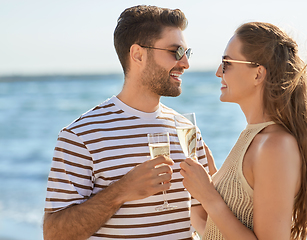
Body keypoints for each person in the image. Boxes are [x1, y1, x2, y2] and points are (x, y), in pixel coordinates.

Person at [43, 5, 213, 240]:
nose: (185, 63)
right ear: (138, 55)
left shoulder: (187, 130)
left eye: (187, 52)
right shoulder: (81, 136)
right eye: (175, 52)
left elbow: (202, 218)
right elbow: (54, 234)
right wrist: (121, 191)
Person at [180, 22, 307, 240]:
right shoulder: (253, 138)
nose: (217, 72)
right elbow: (215, 234)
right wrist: (199, 191)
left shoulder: (275, 145)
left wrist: (209, 196)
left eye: (226, 63)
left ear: (258, 74)